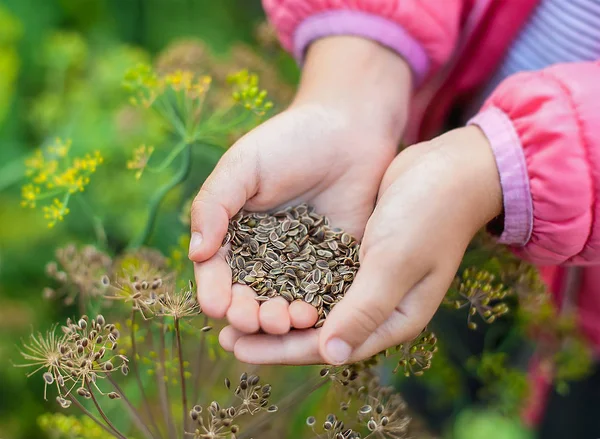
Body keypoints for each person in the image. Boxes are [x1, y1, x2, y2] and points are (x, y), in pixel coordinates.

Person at [188, 0, 600, 426]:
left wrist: (502, 165)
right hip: (441, 190)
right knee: (424, 378)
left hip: (590, 307)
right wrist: (353, 79)